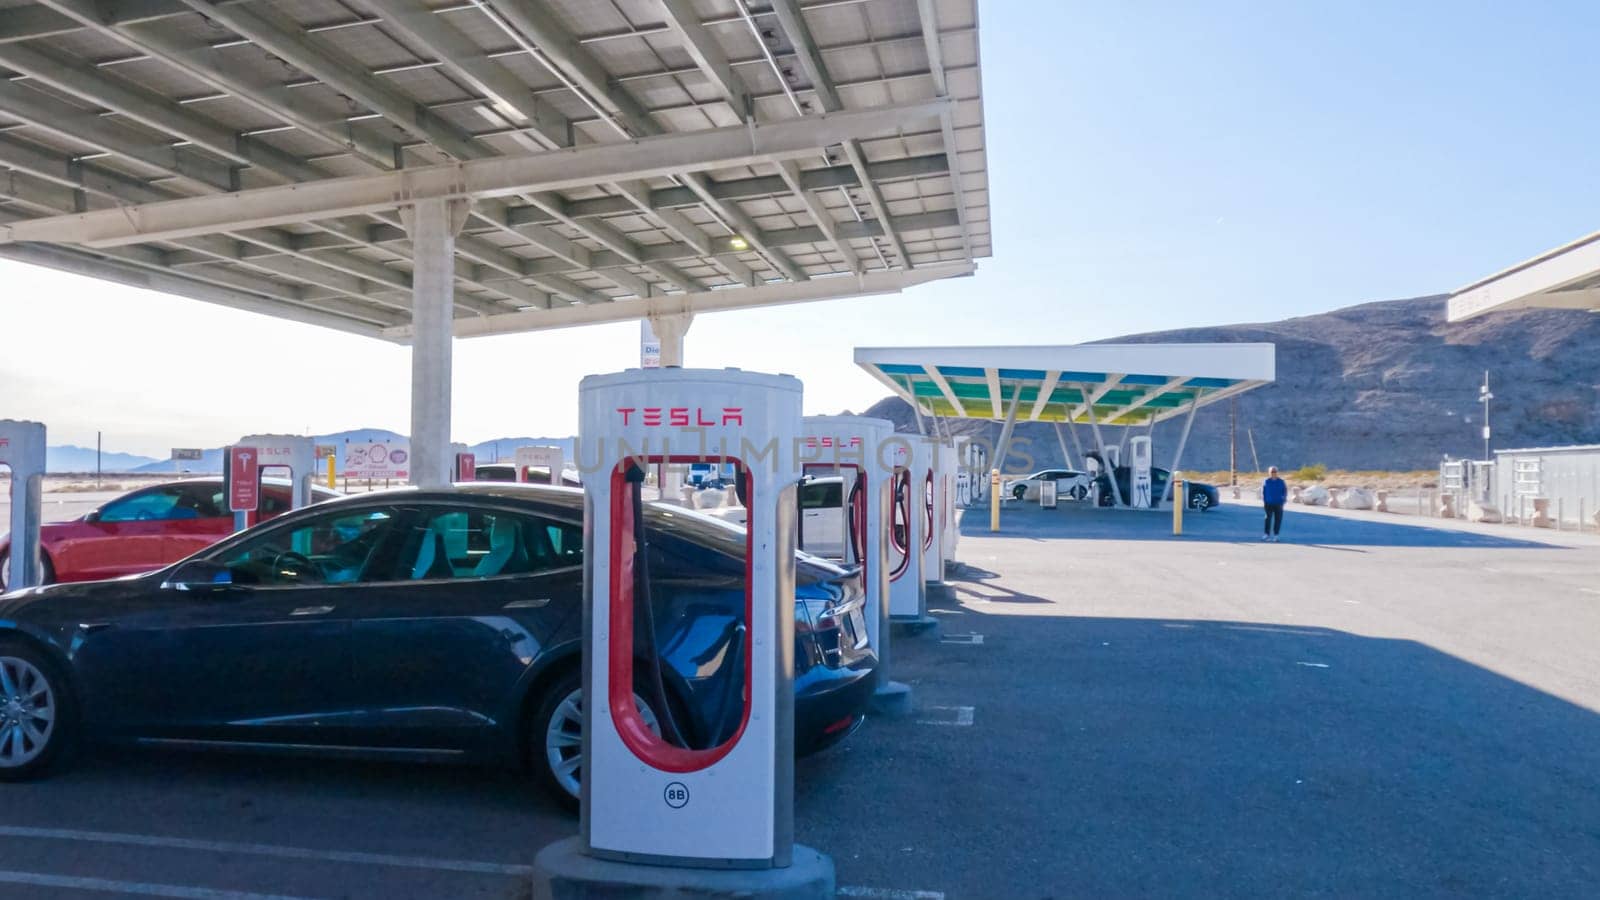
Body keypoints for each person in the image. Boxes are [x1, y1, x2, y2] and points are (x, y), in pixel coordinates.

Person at [1261, 466, 1287, 542]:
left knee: (1278, 519)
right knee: (1267, 519)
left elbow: (1284, 491)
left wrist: (1284, 499)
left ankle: (1276, 535)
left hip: (1278, 503)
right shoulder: (1266, 481)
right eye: (1272, 472)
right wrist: (1264, 500)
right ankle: (1266, 534)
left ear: (1277, 473)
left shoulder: (1281, 481)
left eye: (1275, 472)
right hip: (1268, 503)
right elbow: (1263, 491)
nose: (1273, 473)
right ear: (1269, 473)